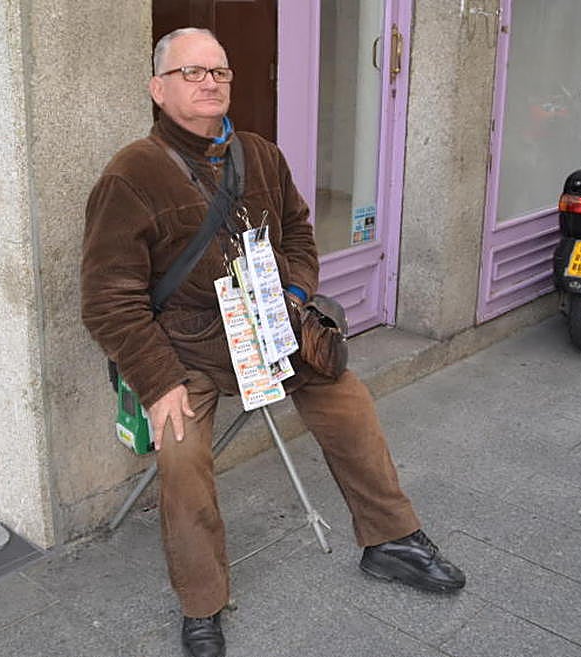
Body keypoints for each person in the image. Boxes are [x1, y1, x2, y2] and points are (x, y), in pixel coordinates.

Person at [81, 27, 465, 657]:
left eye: (219, 71)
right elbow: (108, 300)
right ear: (158, 89)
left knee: (347, 398)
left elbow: (299, 235)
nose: (210, 82)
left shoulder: (259, 154)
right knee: (181, 455)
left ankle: (390, 539)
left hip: (269, 328)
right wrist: (158, 381)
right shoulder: (131, 175)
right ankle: (203, 603)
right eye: (191, 72)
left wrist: (293, 295)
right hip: (183, 351)